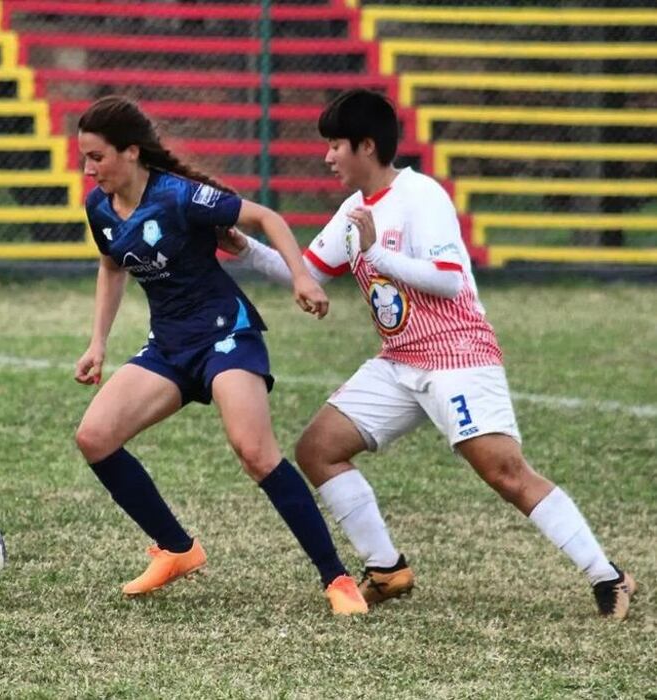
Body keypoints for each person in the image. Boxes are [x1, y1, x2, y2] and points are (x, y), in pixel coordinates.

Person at [220, 88, 636, 620]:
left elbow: (447, 280)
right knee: (318, 449)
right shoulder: (354, 209)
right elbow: (309, 272)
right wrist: (248, 249)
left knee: (504, 471)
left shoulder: (421, 197)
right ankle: (387, 568)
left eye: (335, 145)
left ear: (366, 146)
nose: (327, 157)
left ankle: (609, 575)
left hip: (457, 355)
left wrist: (377, 255)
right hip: (400, 358)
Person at [72, 95, 367, 615]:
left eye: (97, 157)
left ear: (131, 152)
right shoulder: (100, 208)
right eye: (84, 158)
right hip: (169, 347)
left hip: (226, 335)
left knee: (254, 451)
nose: (89, 168)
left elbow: (266, 217)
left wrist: (300, 276)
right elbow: (112, 266)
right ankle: (178, 550)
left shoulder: (180, 196)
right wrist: (98, 342)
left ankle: (337, 579)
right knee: (94, 437)